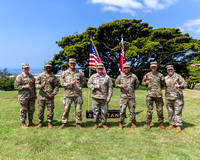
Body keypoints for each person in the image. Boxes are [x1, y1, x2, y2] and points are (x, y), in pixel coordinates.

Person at [59, 58, 85, 130]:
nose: (72, 64)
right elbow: (62, 83)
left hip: (78, 94)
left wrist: (79, 87)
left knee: (78, 110)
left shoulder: (80, 72)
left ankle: (78, 123)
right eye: (71, 63)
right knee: (66, 109)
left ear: (75, 64)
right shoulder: (64, 73)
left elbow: (83, 81)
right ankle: (64, 123)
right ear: (68, 64)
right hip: (68, 95)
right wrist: (70, 84)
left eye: (73, 63)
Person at [87, 63, 113, 130]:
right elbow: (88, 84)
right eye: (99, 68)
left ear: (103, 69)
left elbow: (110, 88)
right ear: (96, 69)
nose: (100, 70)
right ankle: (96, 124)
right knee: (96, 111)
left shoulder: (107, 78)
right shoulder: (93, 77)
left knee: (104, 111)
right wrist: (95, 87)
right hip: (95, 97)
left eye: (101, 68)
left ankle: (104, 124)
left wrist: (109, 96)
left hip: (104, 98)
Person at [142, 61, 166, 130]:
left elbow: (163, 84)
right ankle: (148, 124)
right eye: (152, 66)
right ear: (150, 67)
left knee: (160, 110)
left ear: (157, 67)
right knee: (149, 110)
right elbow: (142, 83)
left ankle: (161, 124)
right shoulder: (147, 75)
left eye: (154, 66)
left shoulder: (160, 75)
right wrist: (146, 83)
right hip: (150, 95)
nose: (153, 67)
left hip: (158, 95)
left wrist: (158, 89)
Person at [115, 63, 140, 130]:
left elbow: (137, 85)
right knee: (122, 111)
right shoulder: (120, 77)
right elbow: (116, 84)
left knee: (132, 111)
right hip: (123, 97)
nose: (126, 69)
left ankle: (133, 124)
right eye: (125, 68)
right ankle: (121, 124)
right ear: (123, 69)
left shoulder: (134, 77)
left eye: (127, 68)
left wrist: (131, 90)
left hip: (131, 97)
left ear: (130, 68)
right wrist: (121, 86)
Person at [35, 62, 59, 129]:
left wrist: (53, 94)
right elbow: (36, 85)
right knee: (40, 111)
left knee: (50, 111)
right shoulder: (40, 76)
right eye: (47, 67)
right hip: (41, 97)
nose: (48, 68)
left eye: (49, 67)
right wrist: (40, 86)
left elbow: (56, 86)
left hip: (50, 97)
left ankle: (49, 123)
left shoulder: (53, 77)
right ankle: (40, 123)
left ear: (51, 67)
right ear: (45, 67)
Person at [165, 65, 187, 132]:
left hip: (177, 98)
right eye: (169, 70)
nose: (170, 71)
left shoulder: (178, 76)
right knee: (170, 111)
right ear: (167, 70)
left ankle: (178, 126)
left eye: (171, 69)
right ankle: (172, 124)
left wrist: (179, 86)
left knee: (178, 112)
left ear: (173, 69)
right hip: (168, 98)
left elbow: (185, 84)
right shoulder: (165, 78)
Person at [14, 63, 37, 129]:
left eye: (27, 68)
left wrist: (35, 94)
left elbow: (34, 86)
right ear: (22, 69)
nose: (26, 69)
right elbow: (16, 86)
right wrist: (25, 86)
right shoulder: (19, 76)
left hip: (31, 96)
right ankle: (23, 123)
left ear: (29, 68)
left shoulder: (31, 76)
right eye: (25, 68)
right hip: (23, 96)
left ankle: (30, 122)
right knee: (24, 110)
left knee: (31, 109)